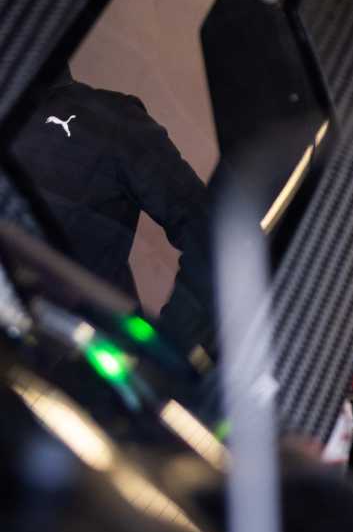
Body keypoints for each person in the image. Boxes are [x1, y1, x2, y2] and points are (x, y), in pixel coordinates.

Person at [3, 69, 214, 353]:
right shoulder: (105, 118)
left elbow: (208, 233)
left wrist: (164, 347)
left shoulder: (104, 120)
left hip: (99, 357)